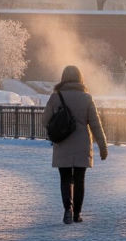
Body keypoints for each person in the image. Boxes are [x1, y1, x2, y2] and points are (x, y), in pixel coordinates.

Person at [42, 64, 108, 224]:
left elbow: (45, 121)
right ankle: (77, 214)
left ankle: (68, 210)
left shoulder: (56, 97)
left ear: (63, 78)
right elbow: (95, 125)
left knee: (65, 178)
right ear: (80, 78)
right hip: (82, 145)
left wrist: (58, 124)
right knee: (79, 179)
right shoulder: (86, 98)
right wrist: (103, 146)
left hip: (62, 143)